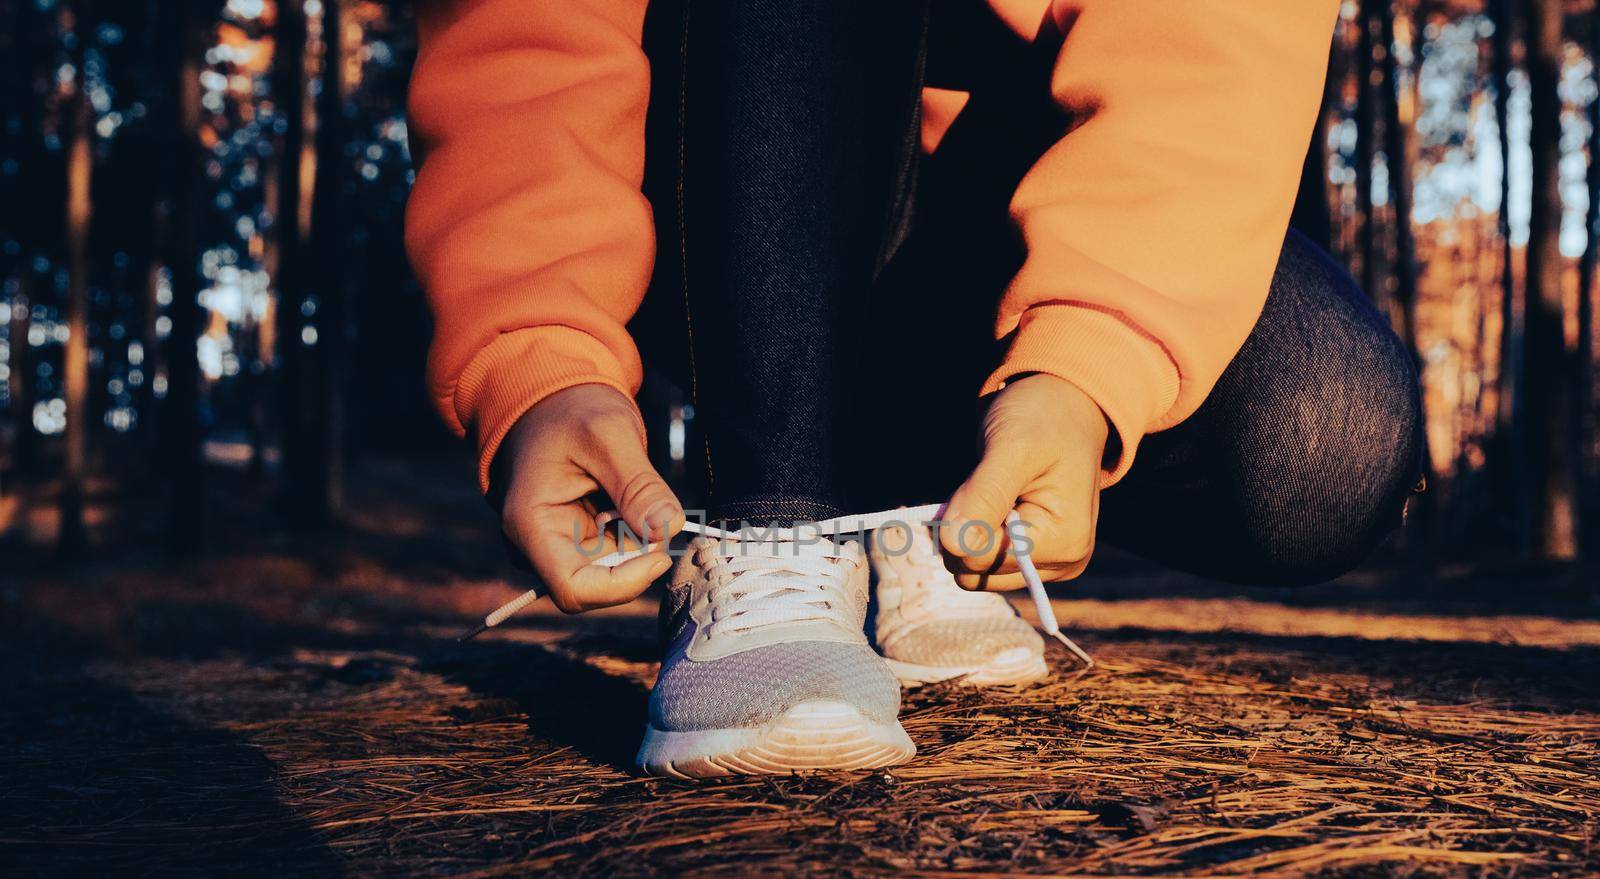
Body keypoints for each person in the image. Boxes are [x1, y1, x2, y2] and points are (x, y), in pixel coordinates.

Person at [406, 1, 1423, 778]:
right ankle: (779, 516)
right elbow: (527, 33)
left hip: (997, 168)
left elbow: (1213, 42)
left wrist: (1085, 361)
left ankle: (913, 507)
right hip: (698, 143)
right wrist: (535, 343)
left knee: (1318, 445)